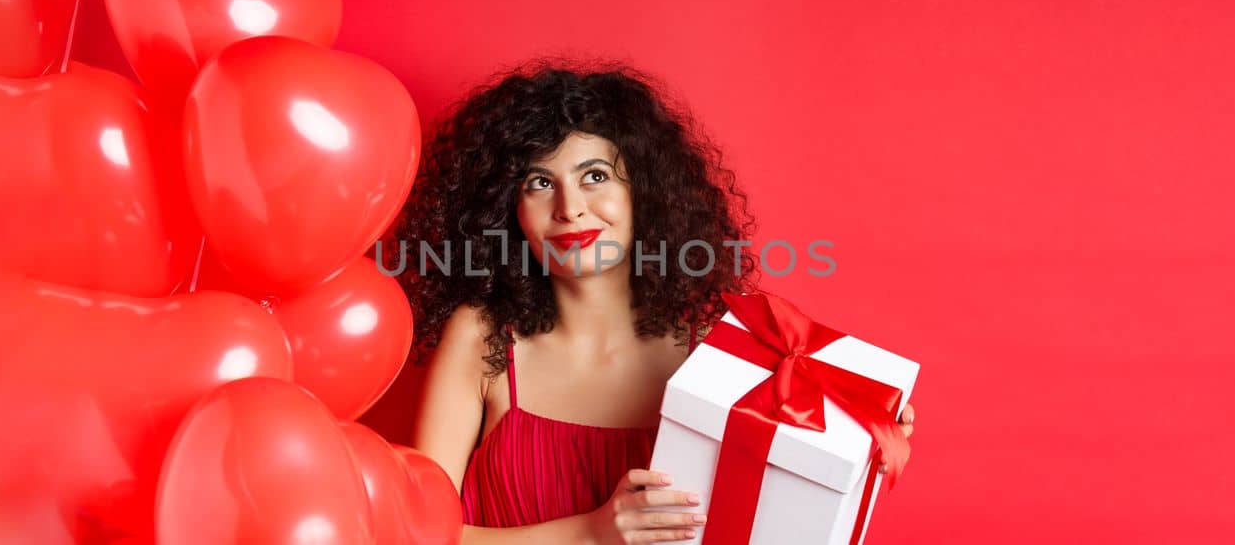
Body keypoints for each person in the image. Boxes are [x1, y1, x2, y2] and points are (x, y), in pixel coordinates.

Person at [389, 60, 916, 544]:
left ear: (645, 192)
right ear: (507, 212)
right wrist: (590, 534)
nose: (570, 208)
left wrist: (860, 442)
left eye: (595, 176)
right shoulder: (481, 336)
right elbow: (417, 535)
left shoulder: (720, 349)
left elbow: (781, 515)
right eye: (539, 182)